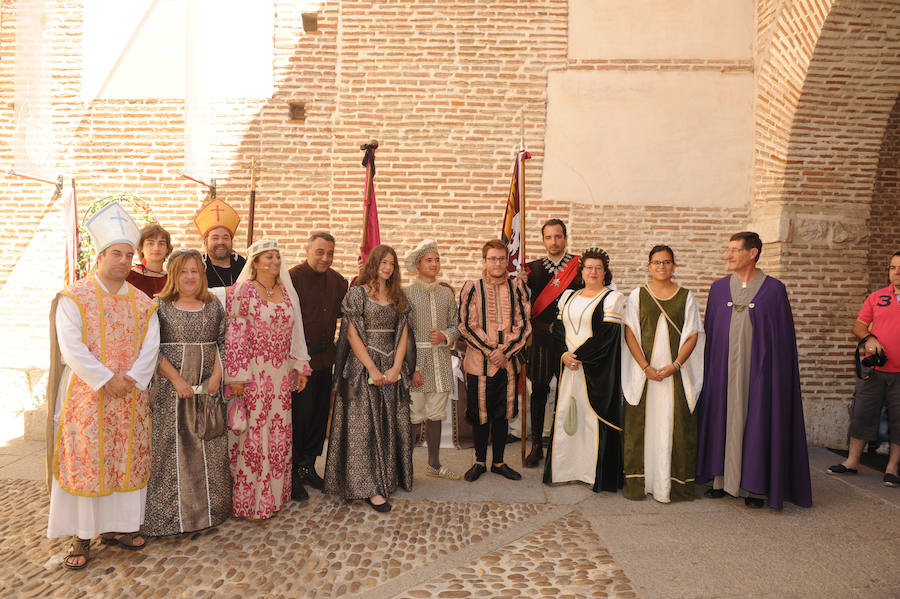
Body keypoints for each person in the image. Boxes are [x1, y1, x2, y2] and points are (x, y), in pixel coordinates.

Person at [46, 201, 160, 569]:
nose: (124, 261)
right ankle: (81, 535)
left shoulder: (144, 304)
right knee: (89, 461)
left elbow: (151, 346)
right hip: (88, 395)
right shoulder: (74, 297)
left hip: (129, 396)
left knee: (125, 460)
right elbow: (71, 346)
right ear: (100, 255)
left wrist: (132, 379)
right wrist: (105, 379)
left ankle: (120, 527)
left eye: (129, 254)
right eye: (116, 253)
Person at [696, 232, 812, 509]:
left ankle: (755, 485)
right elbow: (710, 332)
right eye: (728, 250)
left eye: (735, 250)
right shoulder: (719, 289)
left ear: (753, 253)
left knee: (757, 418)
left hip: (759, 373)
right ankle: (720, 480)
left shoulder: (774, 291)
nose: (729, 255)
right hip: (723, 370)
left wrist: (773, 376)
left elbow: (781, 341)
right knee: (722, 416)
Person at [142, 249, 232, 536]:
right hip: (172, 392)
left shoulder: (214, 306)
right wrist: (177, 380)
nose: (190, 277)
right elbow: (151, 350)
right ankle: (169, 518)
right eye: (183, 271)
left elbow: (223, 342)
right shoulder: (159, 307)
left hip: (207, 390)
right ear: (173, 275)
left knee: (209, 446)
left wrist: (217, 375)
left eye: (195, 271)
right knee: (171, 452)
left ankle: (208, 514)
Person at [225, 239, 311, 520]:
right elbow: (235, 335)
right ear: (255, 262)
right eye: (267, 257)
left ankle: (272, 496)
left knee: (276, 436)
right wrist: (236, 376)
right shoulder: (243, 291)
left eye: (277, 256)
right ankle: (250, 502)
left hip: (280, 376)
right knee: (253, 437)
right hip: (253, 374)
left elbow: (295, 331)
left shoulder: (286, 293)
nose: (274, 261)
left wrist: (299, 366)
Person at [325, 245, 414, 513]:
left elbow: (403, 334)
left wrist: (397, 367)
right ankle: (368, 486)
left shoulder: (399, 297)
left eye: (392, 264)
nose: (388, 267)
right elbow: (351, 335)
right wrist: (372, 369)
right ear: (373, 264)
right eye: (383, 262)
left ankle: (388, 477)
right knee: (363, 428)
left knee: (388, 422)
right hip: (362, 368)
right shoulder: (357, 295)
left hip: (391, 366)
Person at [622, 245, 704, 502]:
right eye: (656, 262)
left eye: (666, 262)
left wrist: (676, 365)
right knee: (643, 428)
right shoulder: (637, 295)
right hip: (645, 375)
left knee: (673, 427)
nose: (661, 266)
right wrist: (645, 367)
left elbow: (692, 335)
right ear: (648, 266)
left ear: (674, 266)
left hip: (673, 376)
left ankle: (671, 485)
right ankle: (641, 484)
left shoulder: (686, 297)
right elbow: (630, 333)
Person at [542, 248, 625, 492]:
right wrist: (563, 355)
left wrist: (576, 357)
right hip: (569, 368)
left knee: (591, 420)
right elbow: (557, 331)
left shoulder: (612, 299)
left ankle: (593, 473)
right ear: (581, 271)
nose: (593, 271)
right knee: (569, 416)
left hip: (596, 370)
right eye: (589, 267)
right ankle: (566, 469)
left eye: (598, 268)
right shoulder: (569, 296)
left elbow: (606, 336)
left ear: (605, 272)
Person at [458, 240, 531, 482]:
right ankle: (479, 462)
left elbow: (523, 326)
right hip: (479, 363)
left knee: (502, 414)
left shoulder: (516, 288)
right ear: (484, 261)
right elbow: (468, 325)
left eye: (501, 259)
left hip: (507, 365)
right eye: (492, 259)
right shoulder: (472, 287)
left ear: (507, 262)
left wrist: (505, 352)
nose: (497, 263)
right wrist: (492, 351)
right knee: (480, 414)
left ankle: (499, 462)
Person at [828, 251, 900, 487]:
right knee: (861, 414)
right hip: (873, 371)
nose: (896, 272)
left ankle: (892, 469)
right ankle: (852, 462)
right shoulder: (877, 297)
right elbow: (858, 325)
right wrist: (868, 337)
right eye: (892, 267)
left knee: (899, 420)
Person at [287, 232, 349, 501]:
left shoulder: (338, 281)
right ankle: (290, 473)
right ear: (308, 250)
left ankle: (308, 467)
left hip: (325, 358)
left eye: (330, 253)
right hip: (300, 360)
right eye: (320, 252)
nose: (326, 258)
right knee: (299, 417)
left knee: (319, 417)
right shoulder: (291, 278)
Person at [522, 219, 582, 467]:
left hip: (569, 340)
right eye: (549, 237)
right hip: (540, 339)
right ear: (543, 240)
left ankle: (562, 445)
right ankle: (537, 445)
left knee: (568, 392)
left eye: (558, 237)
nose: (554, 242)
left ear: (565, 238)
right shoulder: (531, 270)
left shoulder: (579, 267)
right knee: (538, 391)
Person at [404, 239, 460, 480]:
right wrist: (411, 368)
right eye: (429, 260)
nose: (434, 264)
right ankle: (404, 467)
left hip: (440, 361)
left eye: (437, 260)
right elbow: (403, 333)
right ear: (418, 264)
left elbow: (457, 325)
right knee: (413, 413)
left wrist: (446, 335)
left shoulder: (446, 293)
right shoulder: (406, 293)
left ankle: (434, 464)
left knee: (436, 412)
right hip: (416, 361)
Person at [193, 198, 246, 304]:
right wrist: (227, 292)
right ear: (205, 243)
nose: (220, 242)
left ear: (231, 242)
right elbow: (193, 295)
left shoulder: (242, 264)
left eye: (225, 238)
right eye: (215, 238)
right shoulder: (197, 265)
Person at [127, 223, 172, 298]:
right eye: (150, 243)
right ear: (141, 248)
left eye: (161, 243)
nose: (156, 248)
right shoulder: (129, 277)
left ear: (167, 249)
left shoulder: (171, 280)